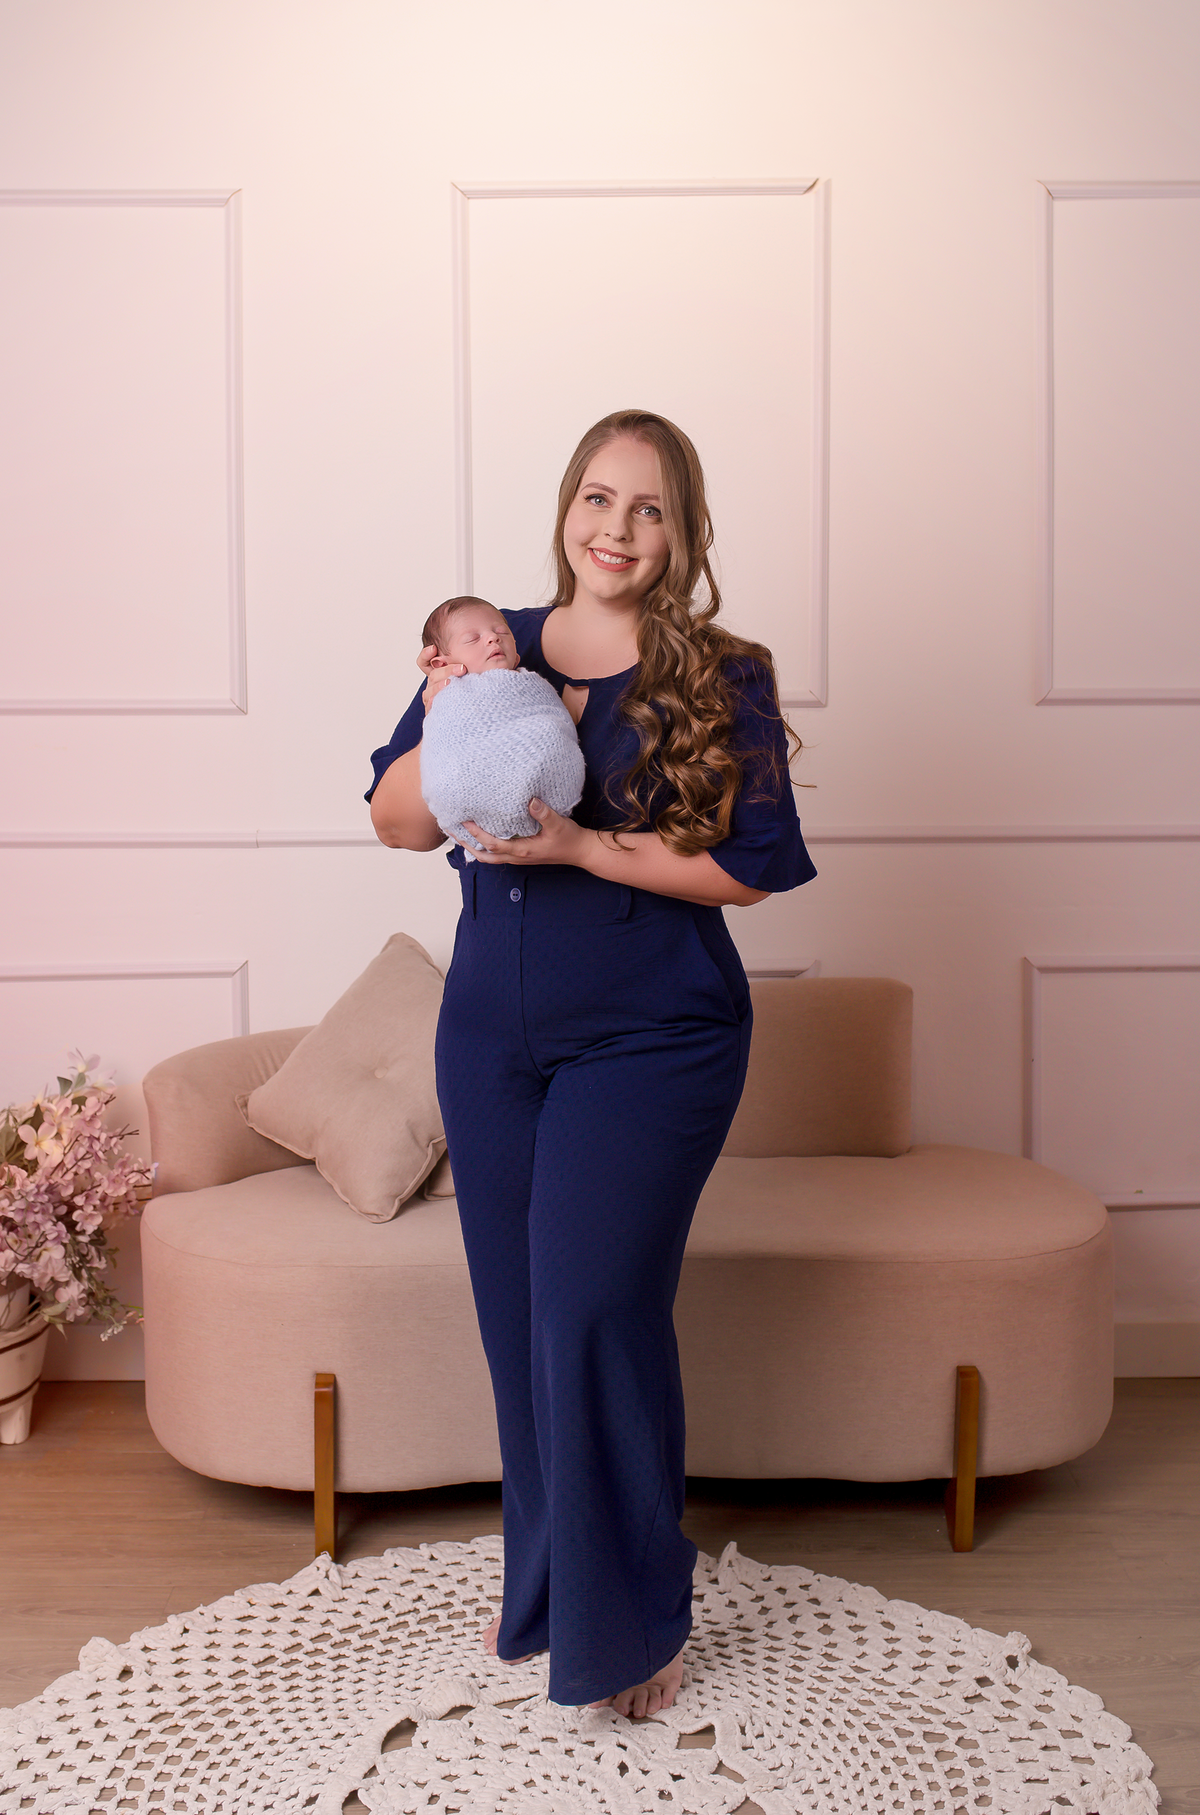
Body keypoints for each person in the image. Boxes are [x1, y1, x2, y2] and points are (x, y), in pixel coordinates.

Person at [367, 409, 816, 1719]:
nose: (618, 528)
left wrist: (576, 848)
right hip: (490, 1041)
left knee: (592, 1312)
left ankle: (634, 1619)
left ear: (683, 533)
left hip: (654, 1037)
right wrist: (440, 712)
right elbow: (396, 822)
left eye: (650, 507)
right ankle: (558, 1590)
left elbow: (749, 868)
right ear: (567, 506)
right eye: (599, 498)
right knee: (521, 1325)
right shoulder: (485, 643)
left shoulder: (720, 672)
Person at [416, 596, 585, 852]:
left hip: (547, 803)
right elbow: (444, 752)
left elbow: (556, 725)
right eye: (473, 638)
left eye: (501, 632)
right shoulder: (446, 695)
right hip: (470, 789)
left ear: (516, 656)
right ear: (443, 664)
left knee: (550, 734)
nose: (493, 638)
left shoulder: (530, 684)